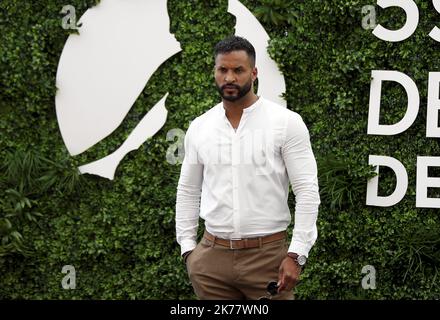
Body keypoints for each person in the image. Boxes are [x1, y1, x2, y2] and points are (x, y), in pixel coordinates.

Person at [175, 35, 320, 300]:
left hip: (268, 259)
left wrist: (297, 254)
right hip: (211, 260)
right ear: (214, 72)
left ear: (254, 73)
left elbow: (307, 191)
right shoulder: (200, 127)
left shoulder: (286, 123)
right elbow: (188, 190)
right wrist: (188, 250)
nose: (229, 77)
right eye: (223, 70)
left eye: (238, 70)